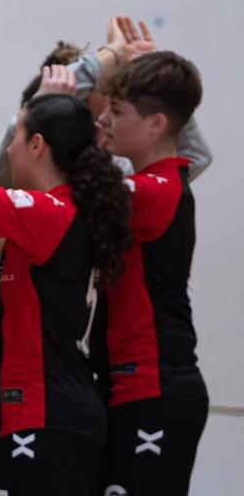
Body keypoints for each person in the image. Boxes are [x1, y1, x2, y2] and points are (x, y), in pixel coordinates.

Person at [0, 72, 132, 495]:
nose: (10, 148)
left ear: (37, 145)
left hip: (46, 412)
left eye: (16, 137)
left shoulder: (47, 213)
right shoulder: (64, 212)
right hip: (57, 412)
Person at [96, 50, 208, 496]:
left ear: (157, 124)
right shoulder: (148, 184)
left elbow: (61, 201)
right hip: (132, 386)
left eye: (116, 111)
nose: (103, 120)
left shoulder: (151, 191)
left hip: (155, 385)